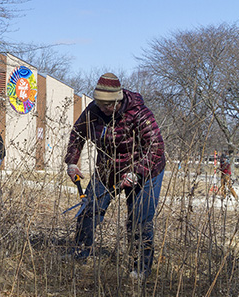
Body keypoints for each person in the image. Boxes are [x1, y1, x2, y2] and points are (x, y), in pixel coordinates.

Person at [64, 73, 166, 279]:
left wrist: (136, 173)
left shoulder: (139, 113)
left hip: (144, 172)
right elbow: (78, 133)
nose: (103, 109)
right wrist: (72, 162)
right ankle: (80, 253)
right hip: (107, 169)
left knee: (139, 219)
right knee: (89, 210)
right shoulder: (93, 110)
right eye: (100, 104)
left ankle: (141, 268)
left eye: (107, 105)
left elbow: (156, 147)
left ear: (118, 101)